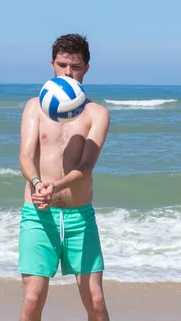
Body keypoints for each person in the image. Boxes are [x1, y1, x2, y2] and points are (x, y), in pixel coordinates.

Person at [18, 34, 111, 321]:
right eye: (62, 66)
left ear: (86, 68)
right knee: (32, 300)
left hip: (79, 217)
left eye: (76, 67)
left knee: (95, 302)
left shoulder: (97, 113)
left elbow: (86, 166)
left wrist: (54, 186)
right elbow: (25, 157)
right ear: (52, 65)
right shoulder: (35, 106)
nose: (68, 73)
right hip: (38, 215)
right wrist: (37, 185)